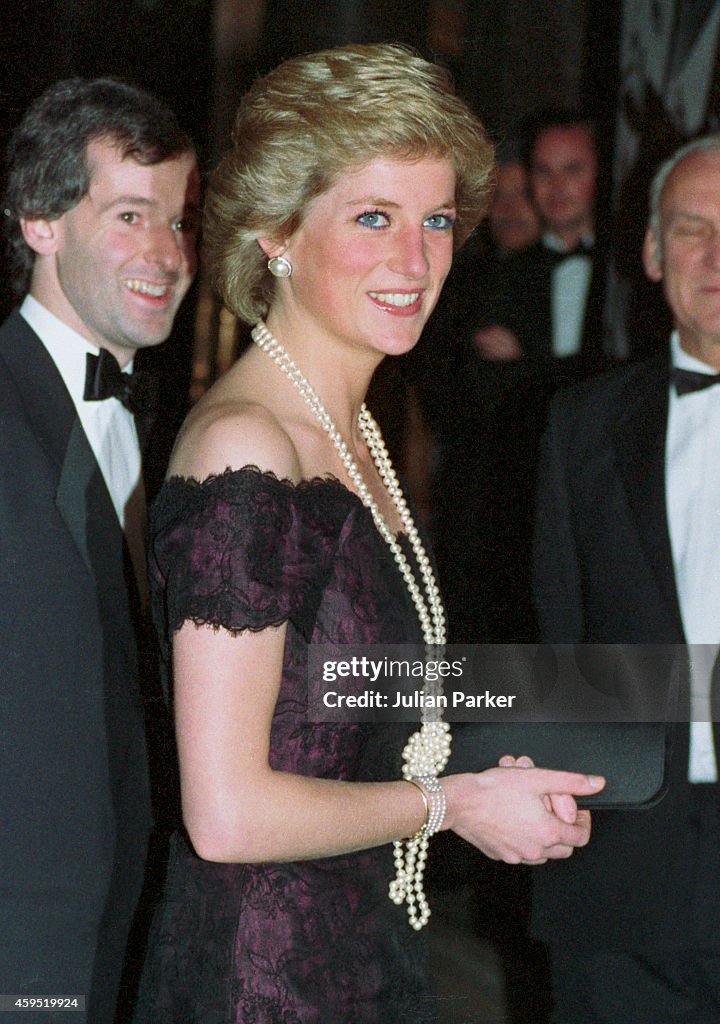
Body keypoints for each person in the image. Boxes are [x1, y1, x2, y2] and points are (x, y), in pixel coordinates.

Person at [132, 43, 604, 1023]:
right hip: (262, 980)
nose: (416, 261)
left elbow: (328, 701)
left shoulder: (353, 427)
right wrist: (455, 804)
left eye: (435, 219)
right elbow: (224, 813)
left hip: (358, 945)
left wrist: (475, 767)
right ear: (275, 231)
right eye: (373, 218)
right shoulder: (246, 450)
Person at [0, 78, 200, 1021]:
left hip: (129, 915)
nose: (167, 253)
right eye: (131, 214)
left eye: (179, 220)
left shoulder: (173, 426)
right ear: (40, 220)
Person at [531, 134, 720, 1022]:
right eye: (693, 228)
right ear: (650, 252)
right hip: (624, 884)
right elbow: (560, 650)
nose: (718, 256)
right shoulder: (581, 427)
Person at [474, 110, 605, 370]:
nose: (556, 186)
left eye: (572, 169)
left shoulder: (628, 272)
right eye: (543, 171)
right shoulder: (504, 277)